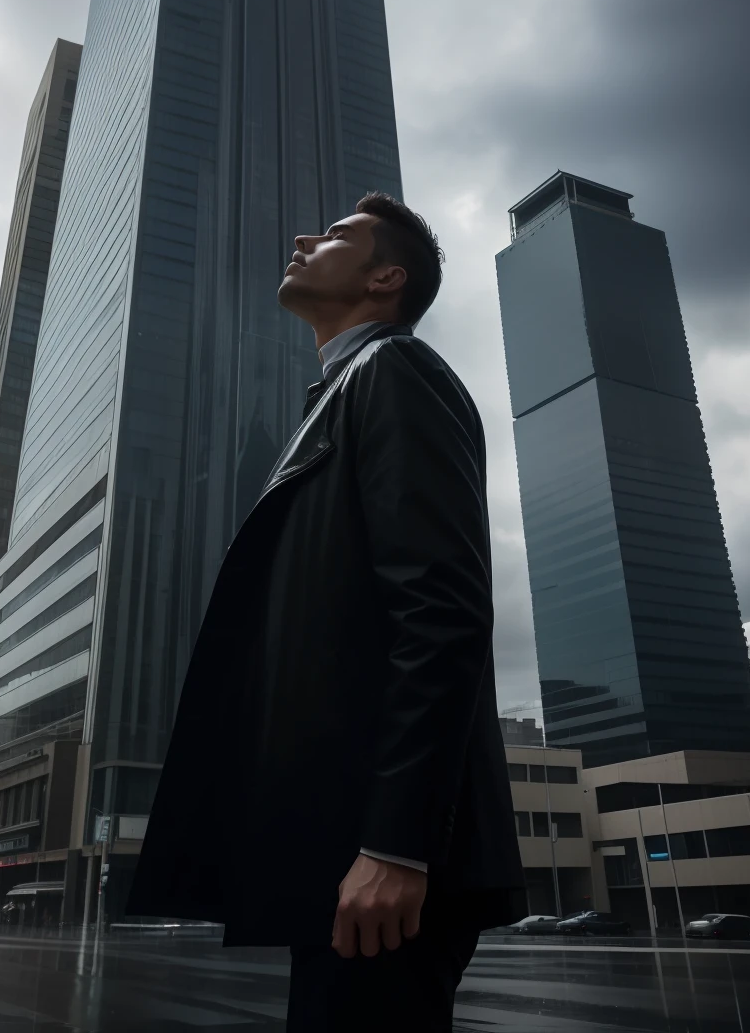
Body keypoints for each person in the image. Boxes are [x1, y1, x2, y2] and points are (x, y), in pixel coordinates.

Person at [127, 193, 524, 1030]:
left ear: (387, 278)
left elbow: (442, 612)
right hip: (347, 849)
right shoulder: (341, 391)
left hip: (382, 862)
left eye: (338, 235)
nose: (305, 237)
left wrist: (395, 843)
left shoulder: (395, 372)